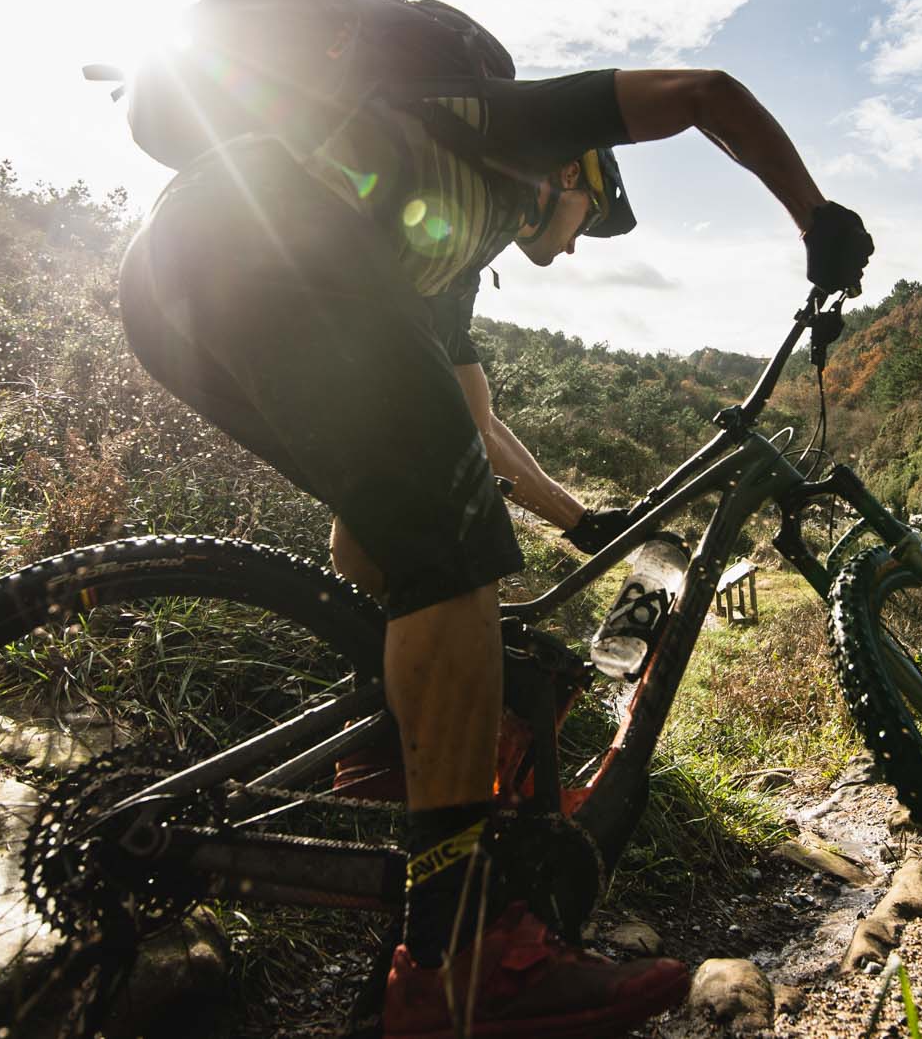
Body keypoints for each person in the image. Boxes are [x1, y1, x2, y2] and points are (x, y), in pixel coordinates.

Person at [119, 62, 871, 1038]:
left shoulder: (443, 263)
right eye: (593, 218)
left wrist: (575, 518)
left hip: (170, 285)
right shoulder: (518, 125)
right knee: (455, 558)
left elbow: (469, 429)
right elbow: (706, 95)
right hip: (265, 242)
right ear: (572, 174)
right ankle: (460, 956)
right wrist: (816, 216)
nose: (579, 243)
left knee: (398, 539)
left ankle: (399, 762)